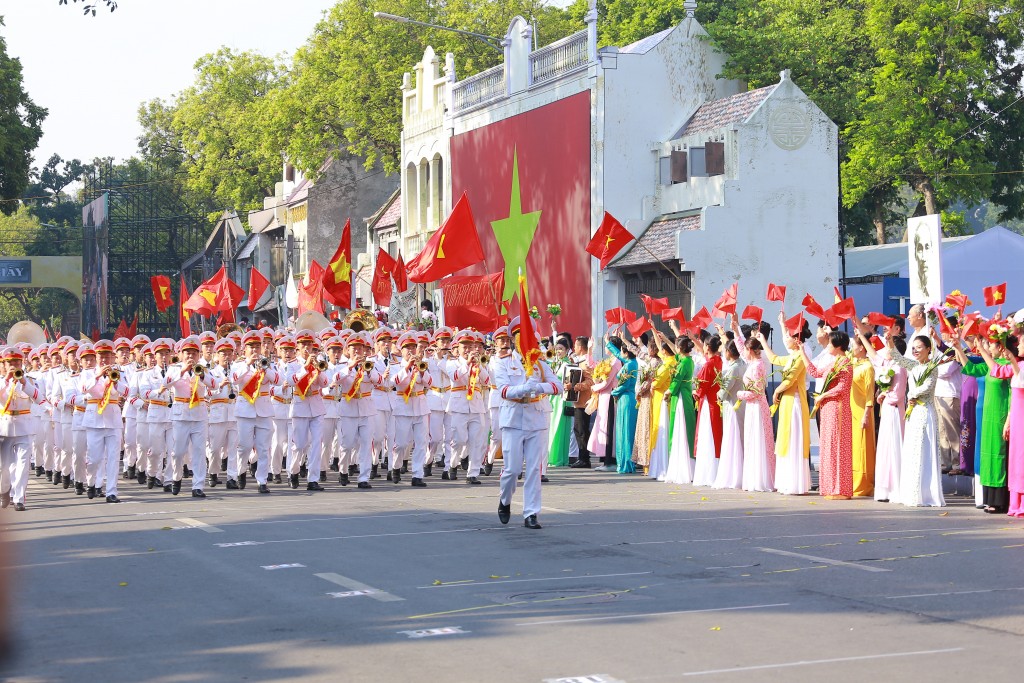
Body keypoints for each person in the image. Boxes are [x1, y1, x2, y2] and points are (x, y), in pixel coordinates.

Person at [495, 316, 559, 529]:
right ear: (513, 340)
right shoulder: (503, 363)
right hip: (513, 420)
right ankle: (505, 500)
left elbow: (557, 386)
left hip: (536, 419)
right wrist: (525, 388)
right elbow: (504, 391)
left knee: (533, 469)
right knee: (512, 469)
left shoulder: (540, 364)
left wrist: (539, 387)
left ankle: (531, 513)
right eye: (521, 337)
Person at [885, 329, 945, 507]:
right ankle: (912, 492)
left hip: (925, 411)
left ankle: (926, 494)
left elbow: (928, 386)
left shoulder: (932, 368)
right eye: (914, 348)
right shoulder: (914, 366)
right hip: (913, 413)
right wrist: (889, 341)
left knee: (924, 449)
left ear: (928, 349)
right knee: (912, 450)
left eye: (919, 347)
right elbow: (898, 358)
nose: (916, 351)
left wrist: (913, 393)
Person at [956, 331, 1014, 513]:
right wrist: (958, 346)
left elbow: (1013, 395)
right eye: (987, 344)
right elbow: (971, 369)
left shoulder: (1009, 367)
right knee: (987, 454)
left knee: (998, 454)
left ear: (1001, 347)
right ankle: (989, 498)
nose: (988, 347)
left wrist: (1009, 420)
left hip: (1001, 415)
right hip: (987, 416)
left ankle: (1001, 500)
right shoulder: (991, 366)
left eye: (991, 345)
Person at [758, 323, 811, 495]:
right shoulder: (791, 357)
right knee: (785, 440)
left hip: (795, 401)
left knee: (793, 439)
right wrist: (763, 341)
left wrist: (776, 392)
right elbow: (774, 359)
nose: (785, 340)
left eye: (788, 337)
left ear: (796, 340)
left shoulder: (801, 357)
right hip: (787, 401)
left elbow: (790, 380)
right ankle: (787, 481)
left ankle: (795, 483)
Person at [801, 329, 854, 500]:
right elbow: (815, 372)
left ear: (839, 346)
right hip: (827, 407)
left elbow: (843, 388)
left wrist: (823, 395)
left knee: (837, 445)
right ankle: (829, 486)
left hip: (837, 407)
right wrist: (802, 351)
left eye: (831, 343)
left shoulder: (845, 362)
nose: (828, 345)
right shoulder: (834, 362)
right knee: (828, 445)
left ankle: (840, 487)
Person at [231, 330, 282, 494]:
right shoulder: (239, 365)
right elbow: (234, 380)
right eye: (251, 347)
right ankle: (240, 472)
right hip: (245, 410)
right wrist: (248, 364)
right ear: (244, 349)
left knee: (263, 448)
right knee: (244, 447)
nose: (254, 350)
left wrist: (265, 368)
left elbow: (279, 381)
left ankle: (262, 481)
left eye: (257, 346)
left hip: (264, 411)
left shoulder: (267, 364)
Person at [863, 334, 908, 503]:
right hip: (887, 411)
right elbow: (873, 355)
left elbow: (899, 394)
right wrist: (860, 333)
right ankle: (884, 490)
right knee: (885, 448)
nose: (885, 351)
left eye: (888, 348)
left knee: (894, 447)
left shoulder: (900, 367)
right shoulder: (888, 365)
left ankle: (895, 488)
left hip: (895, 411)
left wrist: (884, 395)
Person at [734, 329, 774, 492]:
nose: (744, 353)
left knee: (758, 440)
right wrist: (735, 330)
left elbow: (757, 391)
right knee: (752, 439)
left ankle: (760, 479)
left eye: (746, 350)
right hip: (752, 407)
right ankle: (753, 478)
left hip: (757, 406)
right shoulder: (753, 362)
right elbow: (740, 350)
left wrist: (740, 394)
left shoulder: (758, 365)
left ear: (751, 350)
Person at [711, 337, 745, 490]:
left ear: (729, 352)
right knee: (741, 439)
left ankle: (733, 474)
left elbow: (724, 392)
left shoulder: (733, 368)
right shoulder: (743, 364)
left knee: (733, 440)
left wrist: (717, 393)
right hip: (741, 405)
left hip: (732, 406)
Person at [691, 335, 724, 486]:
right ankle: (717, 470)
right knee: (717, 435)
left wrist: (695, 393)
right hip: (717, 402)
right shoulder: (720, 361)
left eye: (704, 345)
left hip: (708, 403)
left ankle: (708, 473)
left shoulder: (708, 365)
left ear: (708, 347)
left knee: (707, 436)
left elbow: (702, 387)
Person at [606, 335, 638, 474]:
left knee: (625, 432)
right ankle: (625, 462)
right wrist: (608, 343)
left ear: (627, 352)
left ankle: (626, 464)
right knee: (626, 431)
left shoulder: (629, 365)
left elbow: (625, 385)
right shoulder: (633, 362)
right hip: (628, 398)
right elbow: (618, 354)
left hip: (626, 398)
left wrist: (613, 392)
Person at [588, 339, 621, 473]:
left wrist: (594, 387)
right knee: (603, 427)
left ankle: (610, 459)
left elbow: (607, 382)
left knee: (609, 427)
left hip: (610, 397)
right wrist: (590, 350)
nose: (606, 348)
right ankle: (605, 459)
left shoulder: (616, 361)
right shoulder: (609, 361)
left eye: (608, 345)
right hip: (604, 397)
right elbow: (592, 366)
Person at [849, 334, 876, 497]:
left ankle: (864, 484)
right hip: (852, 410)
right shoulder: (854, 364)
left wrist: (867, 414)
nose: (851, 348)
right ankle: (852, 481)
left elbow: (869, 394)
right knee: (854, 448)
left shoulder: (868, 367)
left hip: (862, 412)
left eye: (854, 345)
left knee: (863, 448)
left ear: (861, 348)